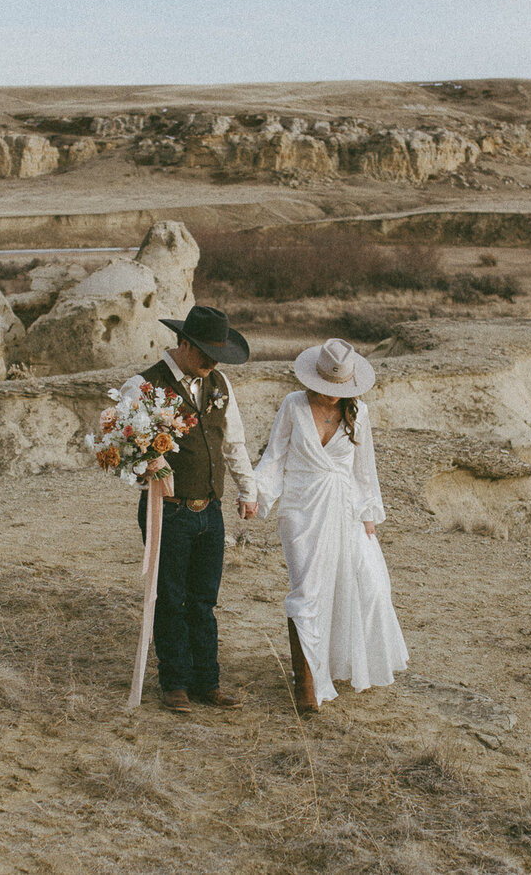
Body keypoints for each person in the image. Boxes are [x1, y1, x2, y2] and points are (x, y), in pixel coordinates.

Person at [254, 337, 407, 714]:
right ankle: (306, 682)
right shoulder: (293, 405)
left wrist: (369, 516)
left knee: (367, 585)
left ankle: (340, 660)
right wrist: (256, 494)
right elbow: (274, 457)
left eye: (341, 388)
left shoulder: (361, 414)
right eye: (327, 388)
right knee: (309, 590)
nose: (333, 396)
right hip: (301, 509)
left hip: (345, 508)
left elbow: (363, 470)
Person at [120, 305, 258, 714]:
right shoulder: (144, 386)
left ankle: (207, 682)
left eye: (218, 356)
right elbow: (123, 449)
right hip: (169, 510)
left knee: (203, 600)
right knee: (170, 599)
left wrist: (248, 491)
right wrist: (148, 465)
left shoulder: (218, 383)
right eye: (205, 353)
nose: (212, 362)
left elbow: (233, 444)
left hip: (209, 510)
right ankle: (175, 684)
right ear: (183, 343)